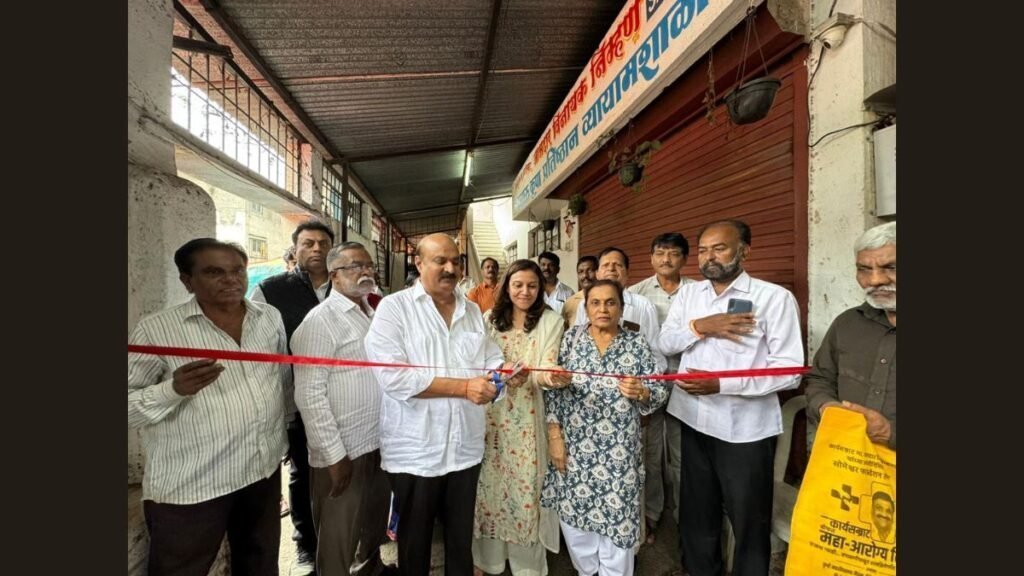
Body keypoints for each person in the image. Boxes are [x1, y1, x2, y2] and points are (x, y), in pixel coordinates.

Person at [128, 238, 290, 576]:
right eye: (214, 272)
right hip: (194, 484)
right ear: (187, 280)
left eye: (237, 270)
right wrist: (172, 390)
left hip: (260, 470)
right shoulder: (157, 330)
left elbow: (280, 381)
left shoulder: (268, 318)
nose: (231, 280)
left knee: (260, 564)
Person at [658, 220, 803, 576]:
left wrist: (722, 385)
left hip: (744, 431)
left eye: (719, 248)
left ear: (744, 251)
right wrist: (701, 327)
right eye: (703, 250)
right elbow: (665, 342)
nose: (709, 257)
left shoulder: (773, 298)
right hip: (693, 419)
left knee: (749, 520)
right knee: (697, 514)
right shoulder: (690, 295)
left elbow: (789, 371)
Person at [364, 233, 507, 576]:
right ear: (419, 263)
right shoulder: (394, 309)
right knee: (415, 544)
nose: (450, 268)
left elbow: (492, 359)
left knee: (460, 542)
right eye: (440, 260)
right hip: (416, 452)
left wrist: (501, 378)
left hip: (465, 448)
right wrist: (465, 388)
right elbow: (394, 377)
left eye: (455, 261)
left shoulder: (471, 311)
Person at [542, 279, 669, 576]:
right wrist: (555, 437)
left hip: (619, 452)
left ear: (621, 308)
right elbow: (553, 393)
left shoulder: (635, 343)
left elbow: (658, 391)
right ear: (586, 308)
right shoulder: (571, 340)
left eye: (611, 302)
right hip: (575, 449)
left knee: (619, 522)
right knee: (576, 522)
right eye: (595, 303)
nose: (603, 309)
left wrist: (643, 392)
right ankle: (587, 571)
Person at [291, 242, 390, 575]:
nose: (365, 272)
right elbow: (309, 395)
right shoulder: (320, 322)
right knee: (339, 535)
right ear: (333, 275)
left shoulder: (373, 313)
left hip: (379, 441)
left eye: (369, 265)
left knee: (372, 523)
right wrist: (334, 455)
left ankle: (371, 569)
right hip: (345, 449)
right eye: (354, 266)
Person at [472, 259, 567, 576]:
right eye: (518, 285)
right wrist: (498, 374)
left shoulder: (550, 321)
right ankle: (488, 560)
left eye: (532, 286)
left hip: (528, 417)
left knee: (525, 487)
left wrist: (550, 376)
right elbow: (477, 363)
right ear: (506, 287)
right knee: (489, 487)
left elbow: (546, 366)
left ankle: (526, 566)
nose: (525, 291)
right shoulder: (489, 319)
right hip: (491, 417)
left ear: (540, 289)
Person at [251, 219, 335, 574]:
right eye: (308, 243)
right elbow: (256, 345)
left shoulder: (348, 286)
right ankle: (306, 546)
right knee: (303, 473)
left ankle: (340, 543)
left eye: (323, 244)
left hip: (344, 400)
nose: (316, 249)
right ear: (295, 249)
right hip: (296, 401)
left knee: (340, 473)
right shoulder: (270, 291)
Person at [805, 221, 897, 450]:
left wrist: (890, 433)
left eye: (891, 267)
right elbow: (820, 380)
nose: (875, 280)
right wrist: (825, 406)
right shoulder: (847, 324)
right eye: (864, 269)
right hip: (849, 460)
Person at [626, 233, 695, 533]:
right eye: (660, 253)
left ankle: (684, 519)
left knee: (682, 455)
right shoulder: (636, 295)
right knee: (650, 454)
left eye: (674, 253)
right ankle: (651, 514)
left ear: (685, 258)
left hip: (686, 383)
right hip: (648, 386)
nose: (666, 259)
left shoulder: (697, 292)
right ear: (651, 258)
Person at [561, 256, 597, 328]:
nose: (585, 275)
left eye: (589, 271)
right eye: (581, 272)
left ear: (598, 272)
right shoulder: (570, 303)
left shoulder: (606, 299)